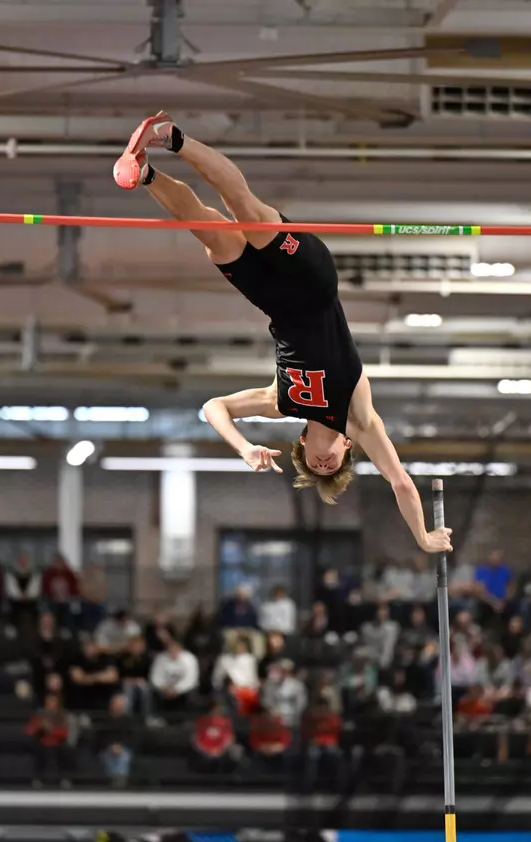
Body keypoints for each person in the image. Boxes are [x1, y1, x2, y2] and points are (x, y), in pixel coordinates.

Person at [115, 112, 452, 556]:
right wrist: (424, 539)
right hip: (313, 284)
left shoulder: (281, 402)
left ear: (301, 446)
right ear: (348, 446)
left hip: (269, 296)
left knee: (208, 227)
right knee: (248, 211)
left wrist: (243, 449)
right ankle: (173, 137)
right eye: (333, 465)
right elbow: (401, 483)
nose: (324, 463)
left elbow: (213, 407)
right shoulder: (357, 417)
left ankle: (144, 171)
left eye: (316, 466)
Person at [25, 692, 75, 789]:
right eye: (48, 702)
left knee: (66, 751)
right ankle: (37, 780)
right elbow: (29, 731)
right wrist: (39, 726)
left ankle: (65, 779)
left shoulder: (62, 715)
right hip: (43, 742)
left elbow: (64, 733)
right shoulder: (39, 715)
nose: (51, 704)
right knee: (39, 751)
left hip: (58, 743)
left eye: (53, 702)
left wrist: (51, 729)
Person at [149, 632, 200, 712]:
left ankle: (186, 720)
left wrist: (177, 689)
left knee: (191, 694)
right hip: (165, 689)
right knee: (153, 693)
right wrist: (165, 688)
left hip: (184, 689)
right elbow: (155, 677)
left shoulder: (190, 658)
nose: (173, 652)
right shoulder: (160, 658)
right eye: (171, 650)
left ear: (180, 649)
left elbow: (191, 679)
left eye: (175, 650)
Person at [67, 638, 120, 712]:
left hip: (103, 692)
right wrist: (101, 676)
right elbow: (77, 678)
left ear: (96, 647)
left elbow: (113, 676)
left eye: (91, 646)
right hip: (82, 693)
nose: (89, 649)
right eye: (86, 646)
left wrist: (87, 677)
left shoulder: (105, 658)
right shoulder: (77, 658)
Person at [118, 634, 153, 719]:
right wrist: (129, 680)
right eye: (134, 646)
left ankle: (147, 716)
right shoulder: (123, 658)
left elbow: (149, 674)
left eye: (138, 646)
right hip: (127, 682)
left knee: (146, 690)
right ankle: (127, 716)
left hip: (142, 682)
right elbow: (120, 674)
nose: (136, 648)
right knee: (128, 689)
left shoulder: (147, 658)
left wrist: (140, 680)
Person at [4, 553, 41, 633]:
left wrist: (27, 595)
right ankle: (12, 628)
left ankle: (35, 629)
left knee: (36, 607)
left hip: (30, 598)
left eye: (24, 560)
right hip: (16, 598)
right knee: (11, 607)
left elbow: (36, 587)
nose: (23, 562)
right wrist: (20, 596)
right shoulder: (12, 572)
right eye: (21, 560)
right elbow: (10, 588)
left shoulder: (34, 573)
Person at [41, 554, 79, 632]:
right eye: (56, 562)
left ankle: (66, 630)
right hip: (51, 600)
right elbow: (45, 589)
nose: (58, 565)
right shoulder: (48, 574)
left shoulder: (70, 574)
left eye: (60, 563)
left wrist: (68, 597)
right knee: (50, 609)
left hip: (67, 601)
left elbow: (75, 590)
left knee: (69, 610)